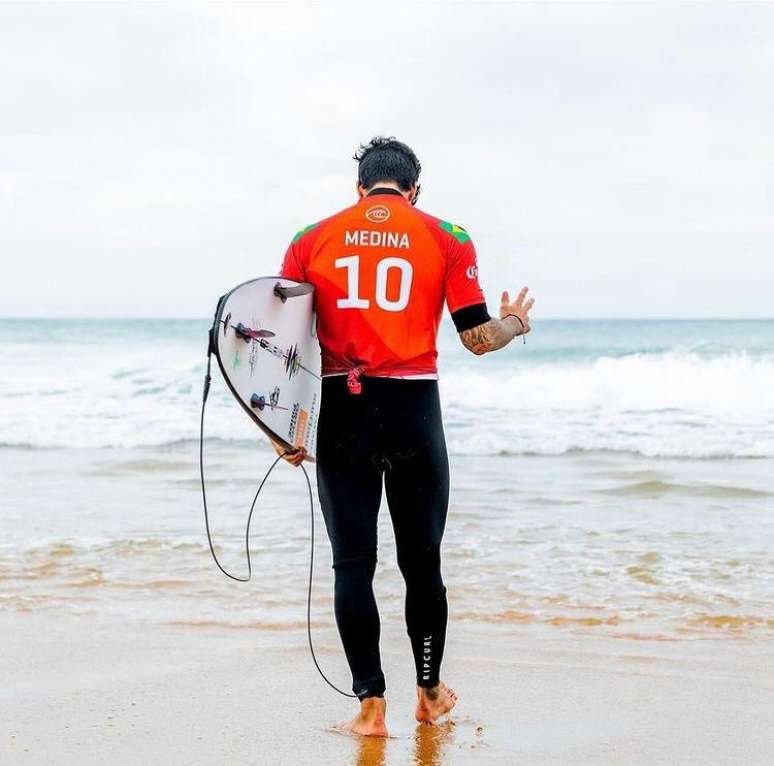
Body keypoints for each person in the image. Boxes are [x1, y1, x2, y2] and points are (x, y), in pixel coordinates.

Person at [275, 136, 534, 737]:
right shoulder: (447, 235)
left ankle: (370, 709)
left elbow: (281, 346)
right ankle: (429, 693)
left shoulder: (310, 238)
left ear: (359, 188)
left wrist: (284, 429)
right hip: (416, 410)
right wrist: (516, 324)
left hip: (345, 409)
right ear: (413, 190)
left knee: (352, 566)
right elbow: (475, 337)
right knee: (422, 564)